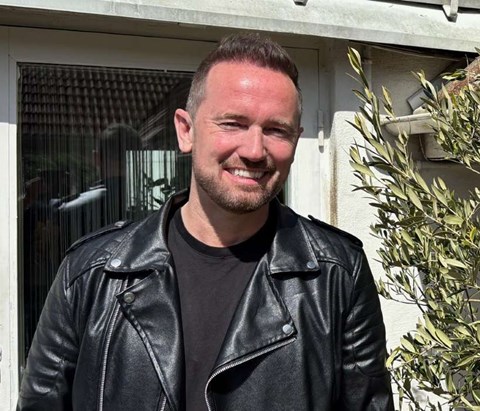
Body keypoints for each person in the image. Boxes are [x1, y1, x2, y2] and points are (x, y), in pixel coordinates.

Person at [18, 34, 394, 411]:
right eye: (233, 124)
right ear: (186, 131)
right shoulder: (92, 273)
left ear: (296, 142)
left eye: (276, 130)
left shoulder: (336, 275)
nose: (254, 150)